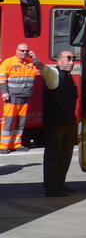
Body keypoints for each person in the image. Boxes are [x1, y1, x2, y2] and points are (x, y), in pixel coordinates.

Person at [0, 43, 56, 152]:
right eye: (22, 50)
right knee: (9, 121)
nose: (24, 53)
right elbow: (2, 79)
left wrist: (35, 58)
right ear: (16, 51)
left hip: (25, 97)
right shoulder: (9, 62)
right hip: (12, 97)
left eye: (26, 51)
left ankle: (16, 144)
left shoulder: (30, 64)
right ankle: (4, 146)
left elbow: (42, 69)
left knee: (21, 122)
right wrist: (4, 93)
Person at [42, 50, 78, 197]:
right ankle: (52, 187)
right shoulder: (54, 74)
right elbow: (45, 70)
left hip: (68, 122)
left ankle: (60, 184)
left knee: (65, 156)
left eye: (73, 59)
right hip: (56, 123)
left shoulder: (68, 77)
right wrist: (38, 62)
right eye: (68, 58)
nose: (72, 62)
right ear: (59, 61)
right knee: (53, 156)